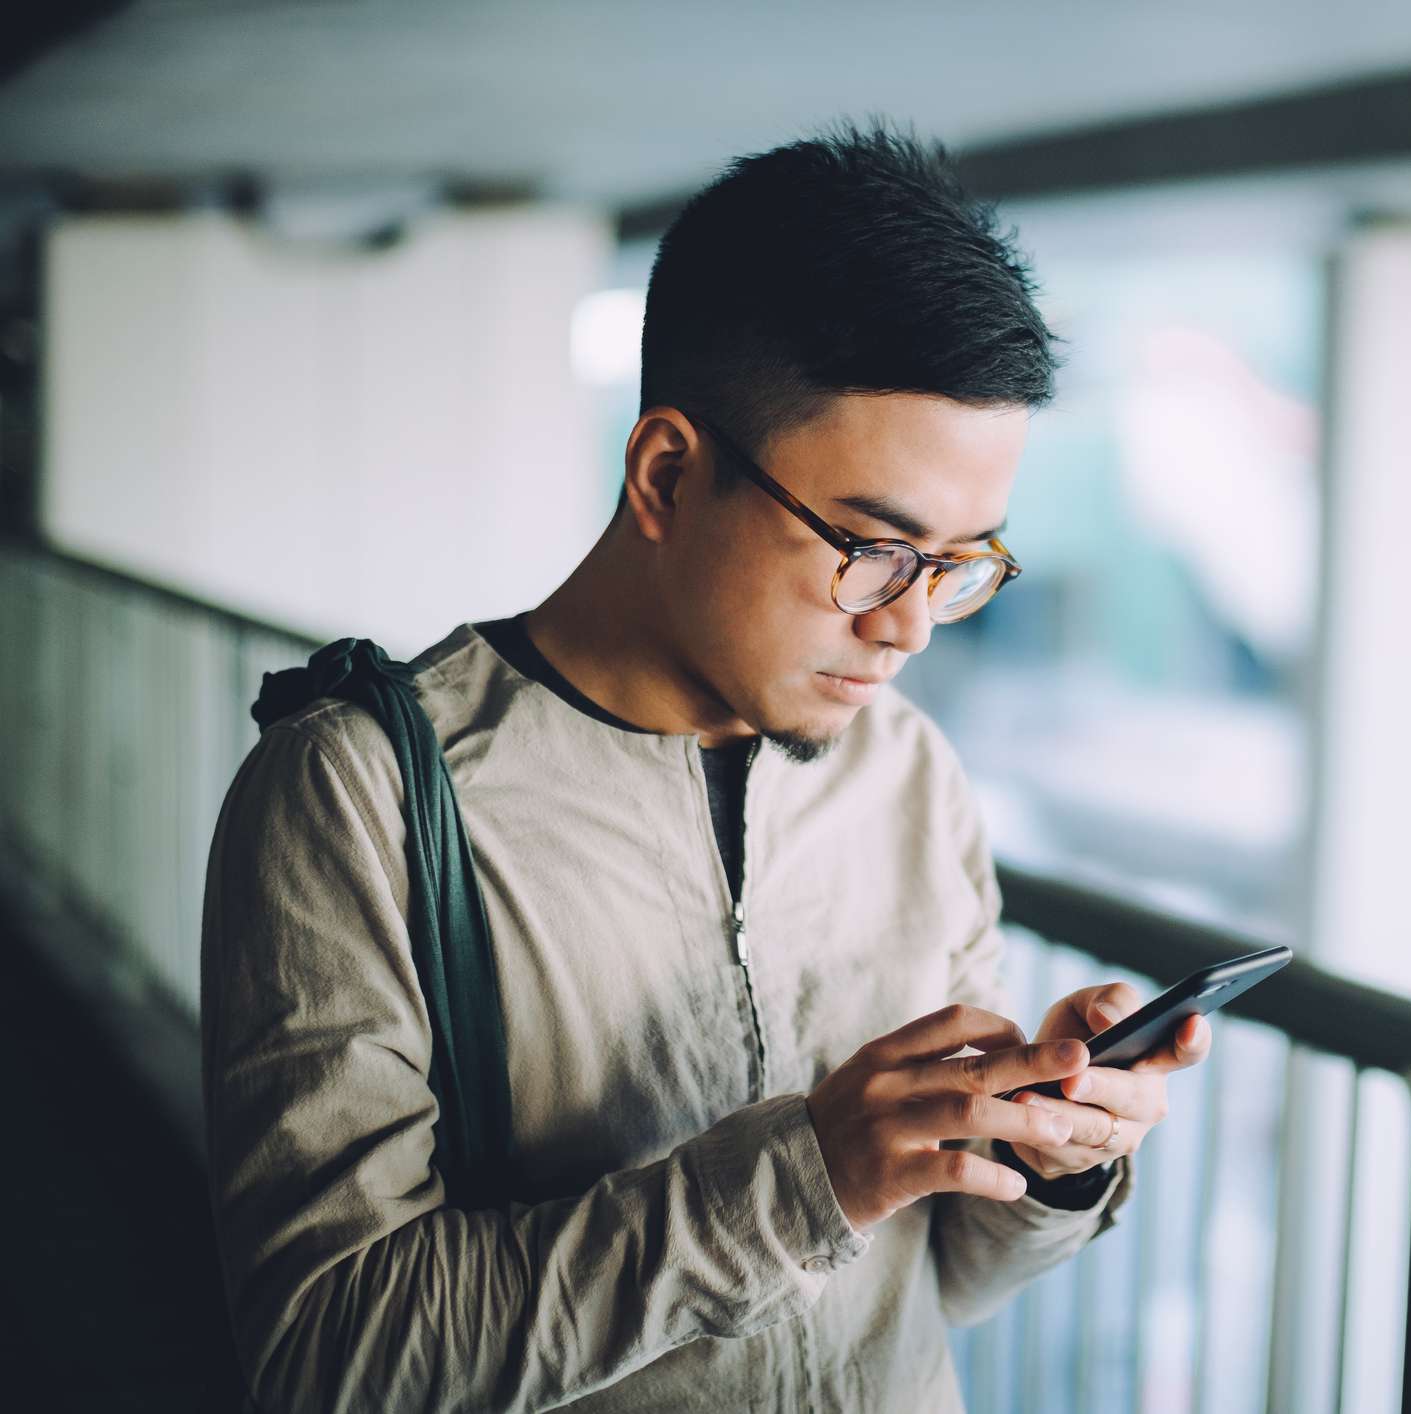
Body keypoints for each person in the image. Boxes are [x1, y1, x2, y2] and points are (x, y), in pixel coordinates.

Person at [198, 124, 1211, 1413]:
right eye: (870, 546)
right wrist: (807, 1180)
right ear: (667, 473)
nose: (906, 625)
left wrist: (1048, 1156)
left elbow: (930, 1283)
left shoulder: (907, 773)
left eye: (961, 564)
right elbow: (330, 1359)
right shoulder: (361, 797)